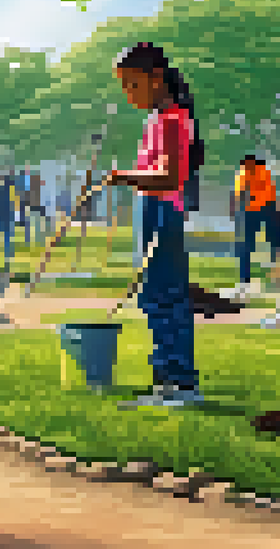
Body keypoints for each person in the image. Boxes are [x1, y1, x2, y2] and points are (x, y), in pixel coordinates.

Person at [106, 42, 203, 408]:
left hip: (163, 212)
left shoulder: (173, 118)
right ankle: (169, 382)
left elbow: (170, 176)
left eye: (133, 84)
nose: (129, 94)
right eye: (124, 86)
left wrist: (124, 177)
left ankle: (178, 384)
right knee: (154, 296)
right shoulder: (157, 118)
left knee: (163, 297)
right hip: (152, 209)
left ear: (156, 77)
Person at [232, 155, 280, 294]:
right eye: (245, 164)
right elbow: (240, 194)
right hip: (251, 210)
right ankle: (245, 278)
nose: (247, 167)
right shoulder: (242, 174)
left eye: (249, 164)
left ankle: (278, 273)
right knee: (246, 245)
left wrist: (250, 198)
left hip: (267, 207)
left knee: (274, 243)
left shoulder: (263, 172)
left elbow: (268, 193)